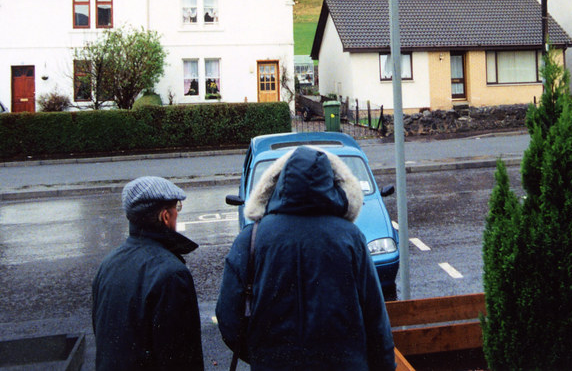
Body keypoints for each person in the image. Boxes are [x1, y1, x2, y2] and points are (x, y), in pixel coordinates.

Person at [216, 146, 396, 370]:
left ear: (279, 184)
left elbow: (228, 316)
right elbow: (375, 316)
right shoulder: (350, 237)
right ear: (332, 185)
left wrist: (261, 354)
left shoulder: (251, 237)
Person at [92, 176, 203, 371]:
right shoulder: (172, 274)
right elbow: (182, 357)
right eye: (177, 208)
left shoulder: (107, 265)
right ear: (165, 217)